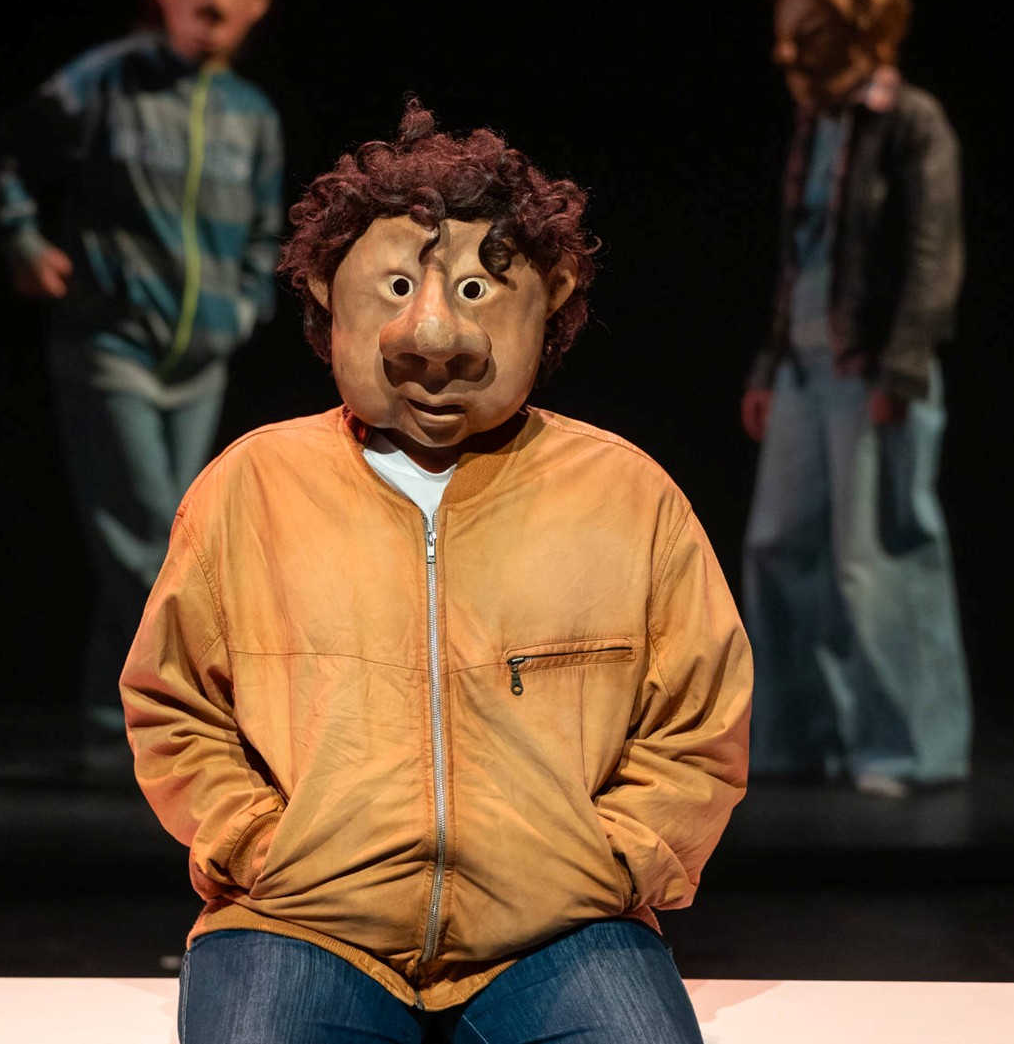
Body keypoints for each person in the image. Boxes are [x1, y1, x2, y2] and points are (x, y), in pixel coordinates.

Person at [122, 101, 751, 1041]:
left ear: (552, 295)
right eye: (395, 286)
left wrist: (613, 861)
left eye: (474, 290)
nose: (432, 334)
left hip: (558, 930)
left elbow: (699, 722)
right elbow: (174, 702)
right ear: (329, 290)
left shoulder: (626, 495)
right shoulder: (249, 487)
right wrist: (257, 845)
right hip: (301, 921)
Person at [0, 0, 283, 776]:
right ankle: (169, 729)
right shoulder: (106, 79)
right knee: (147, 536)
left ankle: (110, 726)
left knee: (163, 546)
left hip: (200, 363)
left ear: (260, 2)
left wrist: (242, 309)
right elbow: (6, 153)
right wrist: (21, 241)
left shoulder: (254, 114)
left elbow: (267, 232)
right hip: (110, 344)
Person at [739, 0, 971, 798]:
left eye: (809, 32)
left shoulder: (912, 120)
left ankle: (909, 747)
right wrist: (769, 364)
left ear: (860, 29)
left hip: (871, 369)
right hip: (805, 368)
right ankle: (799, 740)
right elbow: (798, 260)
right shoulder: (815, 126)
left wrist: (902, 368)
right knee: (777, 545)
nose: (787, 52)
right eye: (785, 32)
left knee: (874, 556)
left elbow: (931, 254)